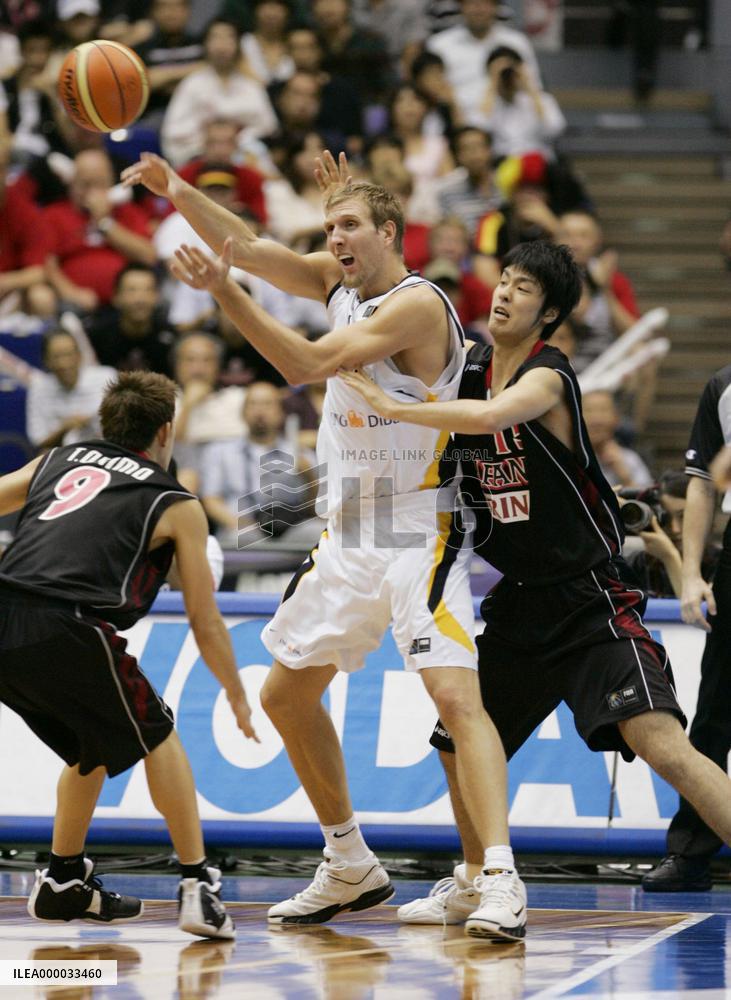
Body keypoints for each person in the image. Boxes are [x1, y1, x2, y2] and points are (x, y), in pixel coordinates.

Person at [122, 148, 526, 940]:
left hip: (416, 527)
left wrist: (223, 292)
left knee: (454, 701)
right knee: (284, 695)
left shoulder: (416, 305)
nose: (334, 238)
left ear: (388, 232)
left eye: (348, 226)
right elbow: (247, 244)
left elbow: (301, 363)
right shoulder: (339, 285)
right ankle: (348, 861)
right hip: (349, 531)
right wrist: (177, 191)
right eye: (329, 226)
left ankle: (498, 876)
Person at [340, 241, 731, 924]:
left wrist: (392, 408)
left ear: (548, 312)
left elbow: (492, 418)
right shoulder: (465, 370)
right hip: (521, 600)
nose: (503, 294)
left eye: (523, 289)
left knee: (663, 745)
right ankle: (473, 879)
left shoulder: (549, 377)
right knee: (455, 741)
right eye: (503, 281)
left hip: (587, 596)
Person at [0, 370, 257, 936]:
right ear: (165, 432)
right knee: (158, 733)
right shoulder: (175, 502)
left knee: (90, 746)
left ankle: (63, 881)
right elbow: (204, 618)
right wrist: (236, 691)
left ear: (105, 422)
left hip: (5, 616)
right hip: (67, 622)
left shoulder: (57, 460)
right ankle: (198, 885)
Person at [642, 364, 731, 891]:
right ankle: (691, 853)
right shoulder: (721, 386)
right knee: (716, 707)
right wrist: (692, 570)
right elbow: (701, 481)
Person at [25, 328, 116, 451]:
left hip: (104, 450)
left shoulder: (106, 377)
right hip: (62, 453)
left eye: (68, 355)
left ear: (79, 356)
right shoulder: (39, 387)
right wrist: (65, 428)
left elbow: (121, 426)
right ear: (46, 361)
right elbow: (39, 441)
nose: (63, 363)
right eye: (56, 357)